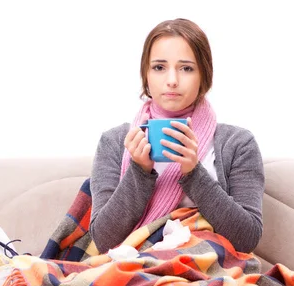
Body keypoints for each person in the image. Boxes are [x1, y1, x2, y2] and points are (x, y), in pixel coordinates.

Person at [89, 18, 265, 255]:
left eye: (186, 68)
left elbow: (247, 238)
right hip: (135, 267)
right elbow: (103, 239)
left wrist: (193, 173)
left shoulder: (238, 144)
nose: (172, 80)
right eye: (159, 67)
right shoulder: (114, 142)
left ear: (204, 76)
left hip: (209, 269)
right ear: (146, 76)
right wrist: (139, 171)